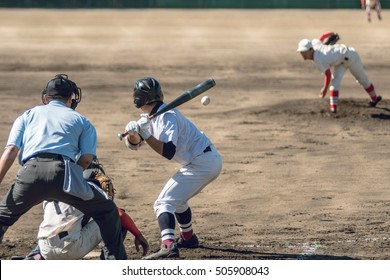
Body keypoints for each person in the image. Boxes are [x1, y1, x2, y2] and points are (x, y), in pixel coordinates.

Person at [0, 74, 127, 259]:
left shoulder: (27, 115)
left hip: (29, 174)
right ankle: (116, 263)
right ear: (71, 99)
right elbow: (85, 160)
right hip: (64, 174)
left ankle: (38, 254)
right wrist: (72, 182)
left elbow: (11, 151)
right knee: (107, 212)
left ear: (45, 98)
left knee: (2, 218)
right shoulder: (82, 121)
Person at [123, 77, 222, 259]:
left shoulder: (166, 116)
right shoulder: (150, 117)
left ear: (137, 99)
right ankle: (188, 237)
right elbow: (134, 145)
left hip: (203, 162)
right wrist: (133, 134)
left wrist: (144, 133)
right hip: (202, 161)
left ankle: (168, 245)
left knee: (163, 203)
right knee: (178, 199)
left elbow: (168, 151)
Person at [20, 158, 149, 260]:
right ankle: (112, 263)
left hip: (44, 248)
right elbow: (118, 214)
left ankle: (34, 257)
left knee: (57, 224)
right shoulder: (88, 190)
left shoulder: (55, 186)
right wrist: (138, 234)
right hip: (70, 248)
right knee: (113, 218)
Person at [296, 38, 382, 113]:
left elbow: (328, 75)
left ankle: (374, 99)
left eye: (304, 51)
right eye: (301, 52)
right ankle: (333, 109)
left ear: (311, 49)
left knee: (362, 80)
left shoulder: (319, 60)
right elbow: (322, 36)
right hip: (340, 62)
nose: (302, 54)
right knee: (334, 83)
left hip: (351, 56)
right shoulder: (314, 43)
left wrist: (324, 89)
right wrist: (330, 34)